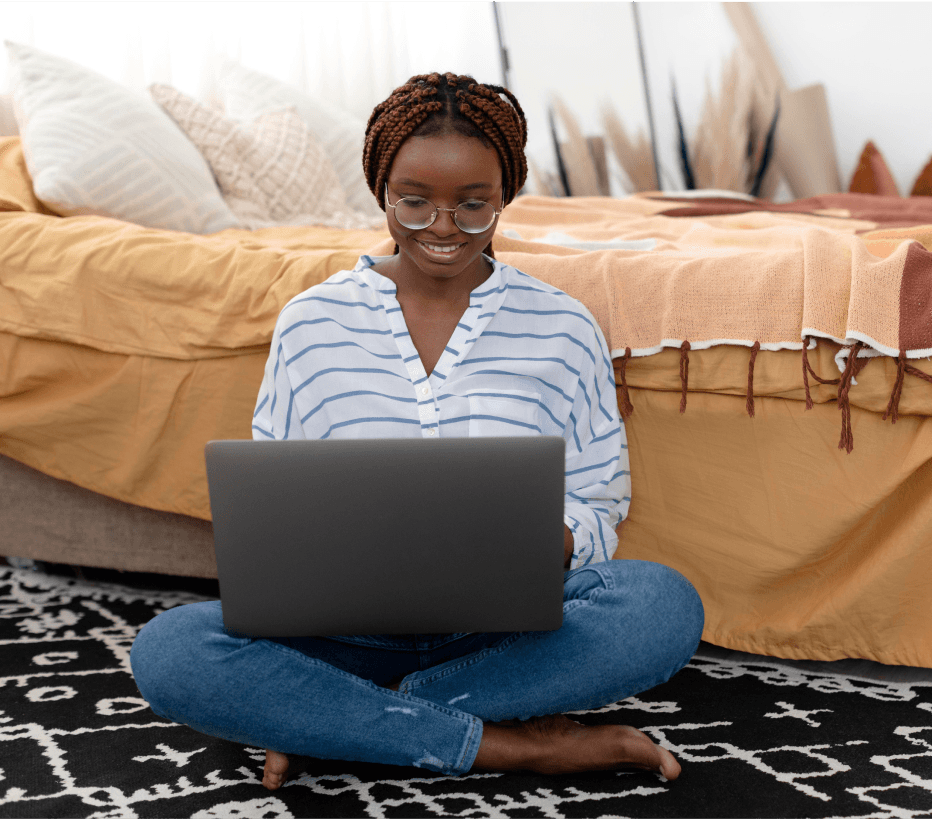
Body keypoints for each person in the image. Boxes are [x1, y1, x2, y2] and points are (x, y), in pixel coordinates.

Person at [129, 72, 705, 791]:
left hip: (504, 635)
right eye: (415, 201)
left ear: (505, 197)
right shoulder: (311, 323)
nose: (441, 227)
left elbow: (598, 502)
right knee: (169, 650)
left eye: (473, 206)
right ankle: (510, 745)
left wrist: (540, 539)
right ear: (381, 190)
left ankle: (333, 723)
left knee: (661, 605)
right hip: (346, 636)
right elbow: (277, 508)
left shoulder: (562, 325)